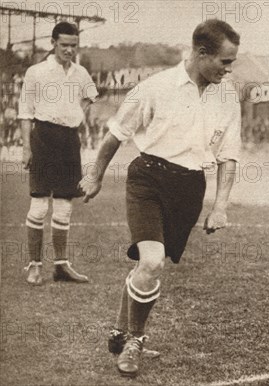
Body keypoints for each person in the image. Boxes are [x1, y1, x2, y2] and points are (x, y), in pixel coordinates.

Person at [78, 20, 241, 377]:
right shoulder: (155, 87)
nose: (228, 70)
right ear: (201, 53)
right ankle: (135, 340)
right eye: (224, 62)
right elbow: (115, 136)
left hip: (190, 186)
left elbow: (229, 155)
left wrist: (221, 206)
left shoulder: (228, 96)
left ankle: (120, 330)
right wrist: (95, 175)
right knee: (152, 263)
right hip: (148, 179)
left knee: (147, 265)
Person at [18, 21, 98, 285]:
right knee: (40, 206)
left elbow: (90, 96)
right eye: (64, 45)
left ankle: (61, 266)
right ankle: (34, 265)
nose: (69, 50)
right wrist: (26, 147)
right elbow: (25, 112)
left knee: (64, 206)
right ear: (53, 43)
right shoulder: (36, 72)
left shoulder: (80, 73)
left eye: (73, 45)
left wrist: (75, 113)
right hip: (43, 137)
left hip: (69, 140)